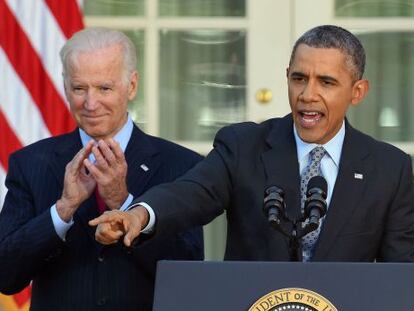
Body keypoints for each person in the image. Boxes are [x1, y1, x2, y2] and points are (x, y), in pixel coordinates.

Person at [90, 25, 414, 262]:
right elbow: (190, 193)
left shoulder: (390, 169)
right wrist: (139, 215)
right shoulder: (244, 145)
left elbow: (400, 275)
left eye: (326, 82)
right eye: (299, 78)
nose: (307, 94)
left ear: (357, 92)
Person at [0, 27, 203, 311]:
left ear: (131, 86)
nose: (90, 104)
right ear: (65, 87)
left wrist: (124, 203)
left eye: (104, 88)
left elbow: (189, 275)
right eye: (79, 88)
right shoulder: (31, 163)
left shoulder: (181, 165)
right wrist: (62, 209)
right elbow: (6, 275)